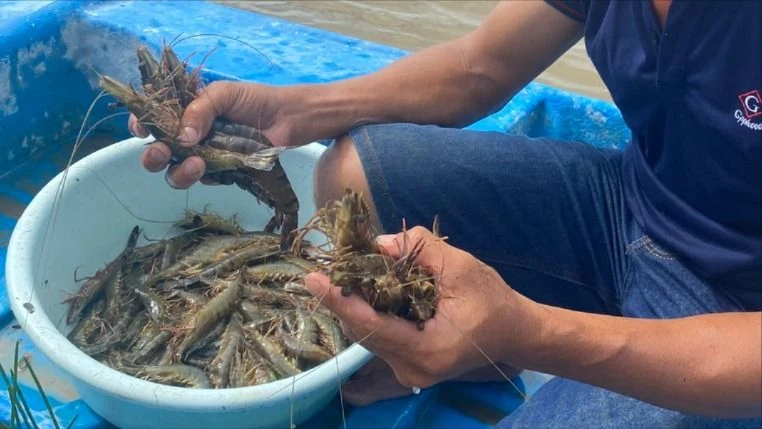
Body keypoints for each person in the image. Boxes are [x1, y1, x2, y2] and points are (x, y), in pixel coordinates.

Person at [129, 1, 762, 427]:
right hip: (630, 207)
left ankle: (504, 344)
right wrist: (293, 112)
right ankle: (487, 349)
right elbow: (477, 67)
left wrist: (532, 332)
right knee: (355, 173)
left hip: (736, 318)